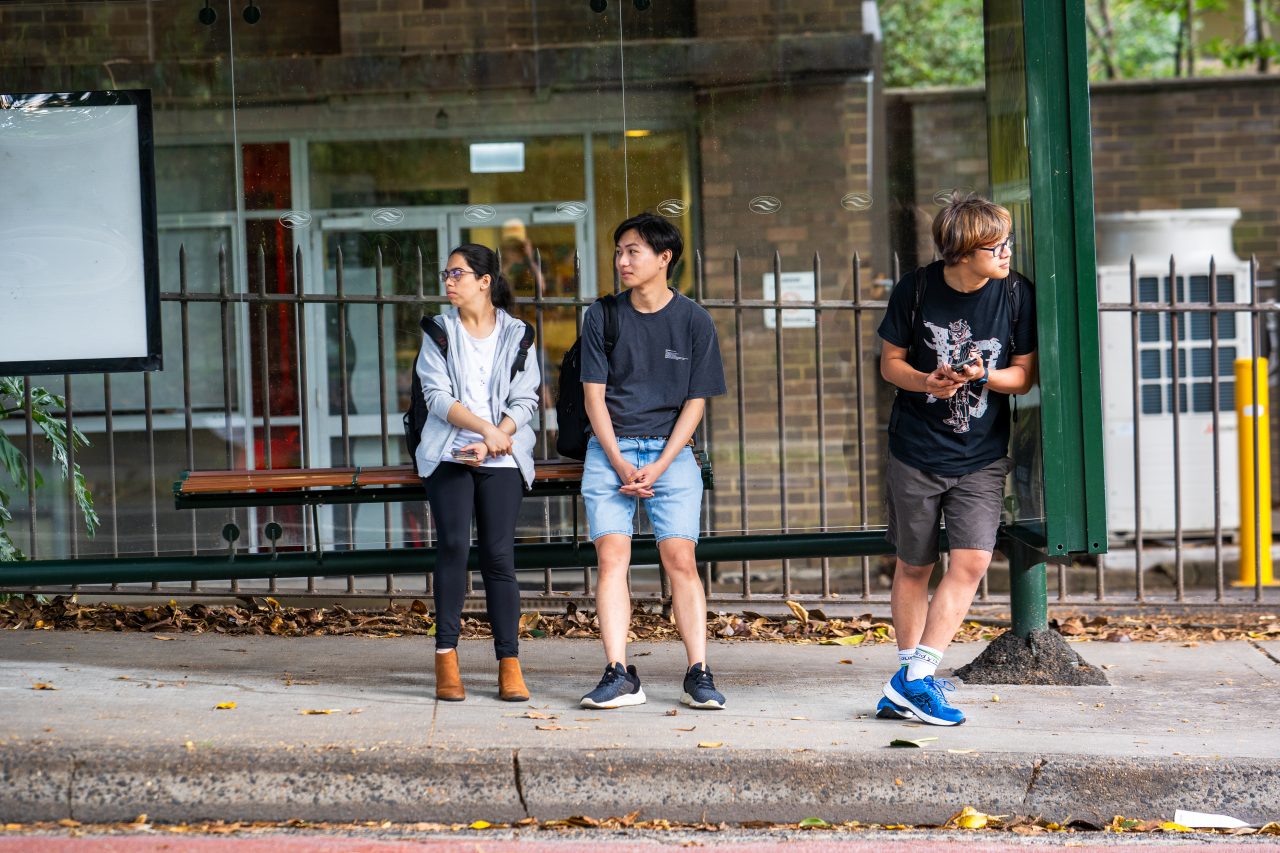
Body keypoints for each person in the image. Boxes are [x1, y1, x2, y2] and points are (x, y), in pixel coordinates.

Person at [875, 193, 1037, 726]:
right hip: (916, 448)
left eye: (1007, 242)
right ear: (963, 252)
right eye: (996, 245)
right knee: (915, 563)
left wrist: (979, 376)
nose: (1007, 252)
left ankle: (916, 679)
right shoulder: (917, 289)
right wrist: (928, 381)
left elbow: (1022, 375)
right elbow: (890, 364)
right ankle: (908, 680)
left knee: (971, 561)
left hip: (981, 454)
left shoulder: (1015, 294)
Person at [577, 212, 727, 710]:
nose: (622, 260)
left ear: (664, 258)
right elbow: (593, 397)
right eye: (619, 251)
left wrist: (660, 465)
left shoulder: (694, 320)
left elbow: (696, 403)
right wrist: (619, 461)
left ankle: (698, 671)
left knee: (679, 558)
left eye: (633, 251)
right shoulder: (602, 316)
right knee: (611, 557)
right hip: (611, 449)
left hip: (671, 452)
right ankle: (619, 673)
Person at [414, 243, 541, 703]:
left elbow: (526, 400)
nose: (448, 281)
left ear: (484, 282)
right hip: (450, 452)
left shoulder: (518, 333)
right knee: (452, 546)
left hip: (502, 455)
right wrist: (485, 430)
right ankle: (446, 657)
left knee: (498, 556)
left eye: (457, 274)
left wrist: (495, 437)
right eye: (446, 274)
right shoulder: (438, 331)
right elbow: (437, 398)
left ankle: (509, 662)